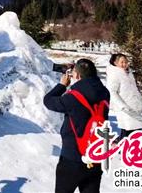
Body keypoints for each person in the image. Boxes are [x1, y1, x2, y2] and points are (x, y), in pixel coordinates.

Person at [43, 59, 110, 193]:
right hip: (96, 156)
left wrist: (62, 85)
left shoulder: (74, 96)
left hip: (72, 157)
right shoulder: (105, 93)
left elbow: (48, 101)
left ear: (78, 75)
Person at [106, 53, 142, 143]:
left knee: (135, 131)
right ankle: (122, 148)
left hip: (134, 106)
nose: (124, 64)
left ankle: (130, 149)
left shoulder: (128, 73)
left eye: (126, 62)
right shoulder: (114, 75)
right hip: (125, 108)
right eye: (122, 62)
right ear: (115, 63)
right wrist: (122, 106)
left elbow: (135, 90)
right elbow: (112, 92)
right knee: (128, 131)